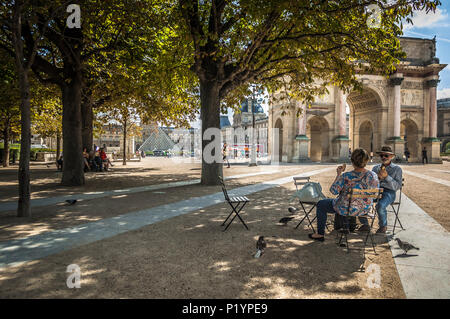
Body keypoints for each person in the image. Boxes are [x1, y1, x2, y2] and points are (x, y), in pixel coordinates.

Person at [308, 148, 379, 241]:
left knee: (321, 204)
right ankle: (346, 227)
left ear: (352, 161)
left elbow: (333, 191)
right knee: (342, 201)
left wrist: (339, 174)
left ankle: (320, 234)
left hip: (347, 208)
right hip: (364, 210)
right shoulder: (373, 175)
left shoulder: (346, 176)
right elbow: (376, 194)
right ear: (366, 161)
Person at [358, 145, 403, 234]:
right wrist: (376, 179)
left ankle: (383, 226)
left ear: (392, 156)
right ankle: (365, 224)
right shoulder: (375, 168)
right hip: (376, 191)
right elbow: (370, 183)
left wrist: (387, 177)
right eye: (381, 155)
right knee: (359, 199)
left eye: (386, 155)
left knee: (380, 205)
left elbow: (397, 186)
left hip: (389, 193)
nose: (383, 157)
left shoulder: (397, 169)